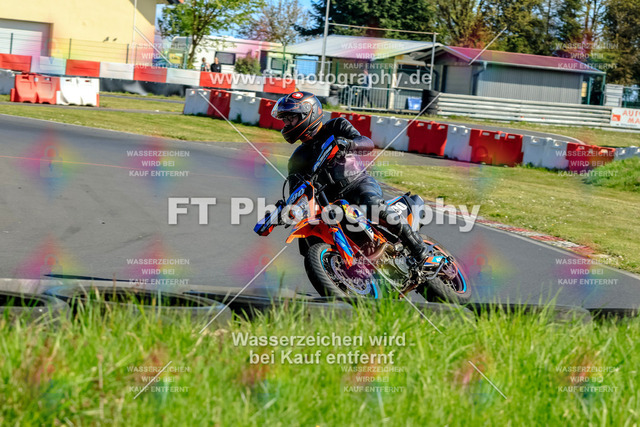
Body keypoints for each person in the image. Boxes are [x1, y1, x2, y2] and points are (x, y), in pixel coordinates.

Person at [271, 91, 430, 265]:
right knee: (309, 237)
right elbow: (297, 191)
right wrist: (286, 209)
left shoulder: (336, 126)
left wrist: (348, 144)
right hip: (330, 204)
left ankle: (419, 249)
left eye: (290, 118)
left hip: (357, 183)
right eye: (285, 120)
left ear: (308, 113)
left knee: (372, 205)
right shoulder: (296, 158)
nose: (287, 124)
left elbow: (367, 143)